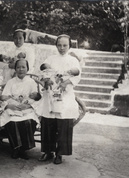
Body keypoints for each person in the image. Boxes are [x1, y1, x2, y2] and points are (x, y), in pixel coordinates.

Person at [37, 34, 81, 164]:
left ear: (69, 46)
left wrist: (66, 82)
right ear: (56, 45)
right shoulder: (50, 58)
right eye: (59, 45)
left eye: (65, 45)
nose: (62, 48)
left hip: (65, 94)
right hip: (50, 94)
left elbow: (77, 75)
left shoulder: (73, 60)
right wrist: (46, 80)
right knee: (48, 123)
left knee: (63, 124)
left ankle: (59, 153)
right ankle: (47, 151)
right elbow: (43, 72)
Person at [0, 59, 39, 160]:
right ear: (15, 69)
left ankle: (23, 149)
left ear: (27, 69)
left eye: (23, 67)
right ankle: (16, 148)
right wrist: (8, 106)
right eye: (18, 67)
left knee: (29, 121)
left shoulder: (32, 82)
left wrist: (28, 106)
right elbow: (4, 97)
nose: (21, 69)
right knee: (12, 122)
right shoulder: (10, 82)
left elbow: (36, 98)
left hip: (26, 109)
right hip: (13, 108)